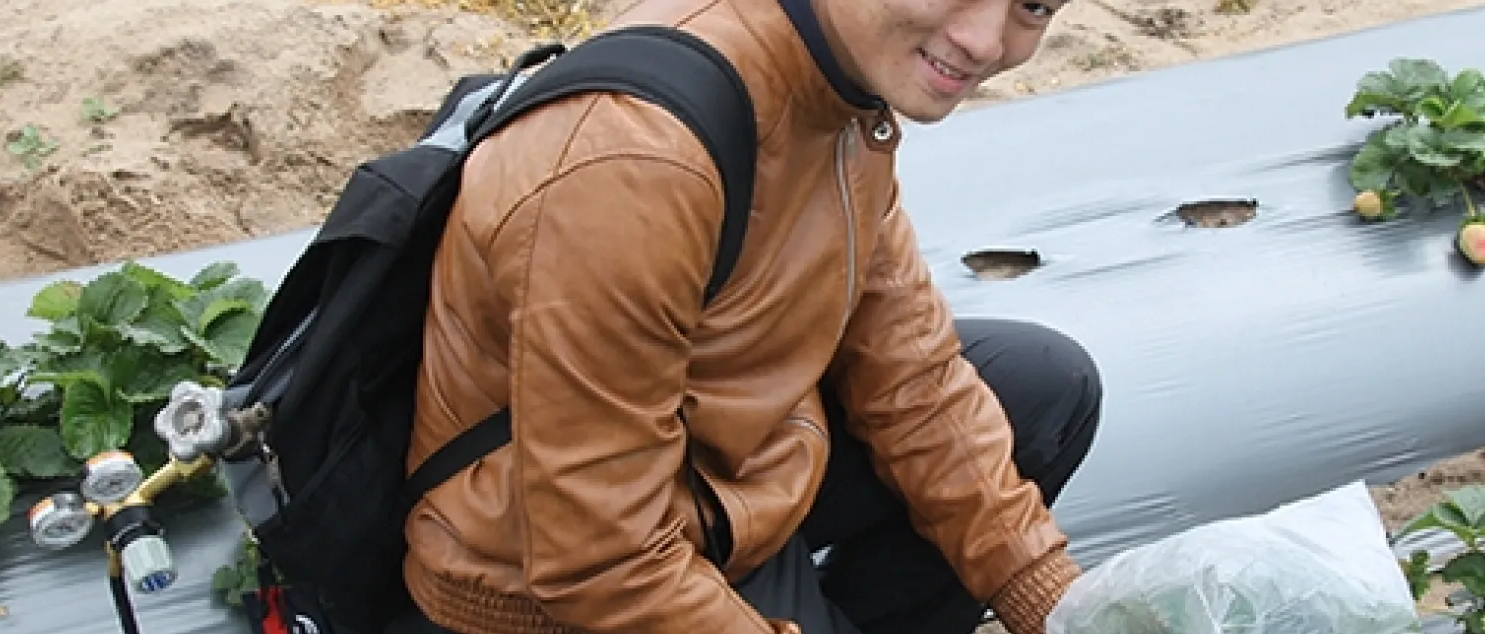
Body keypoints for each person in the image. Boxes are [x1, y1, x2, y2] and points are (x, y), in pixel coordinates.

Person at [386, 0, 1102, 631]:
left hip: (721, 501)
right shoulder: (639, 160)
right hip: (550, 593)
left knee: (1042, 387)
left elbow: (914, 383)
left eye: (1034, 6)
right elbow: (599, 558)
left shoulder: (840, 90)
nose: (984, 39)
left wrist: (1060, 608)